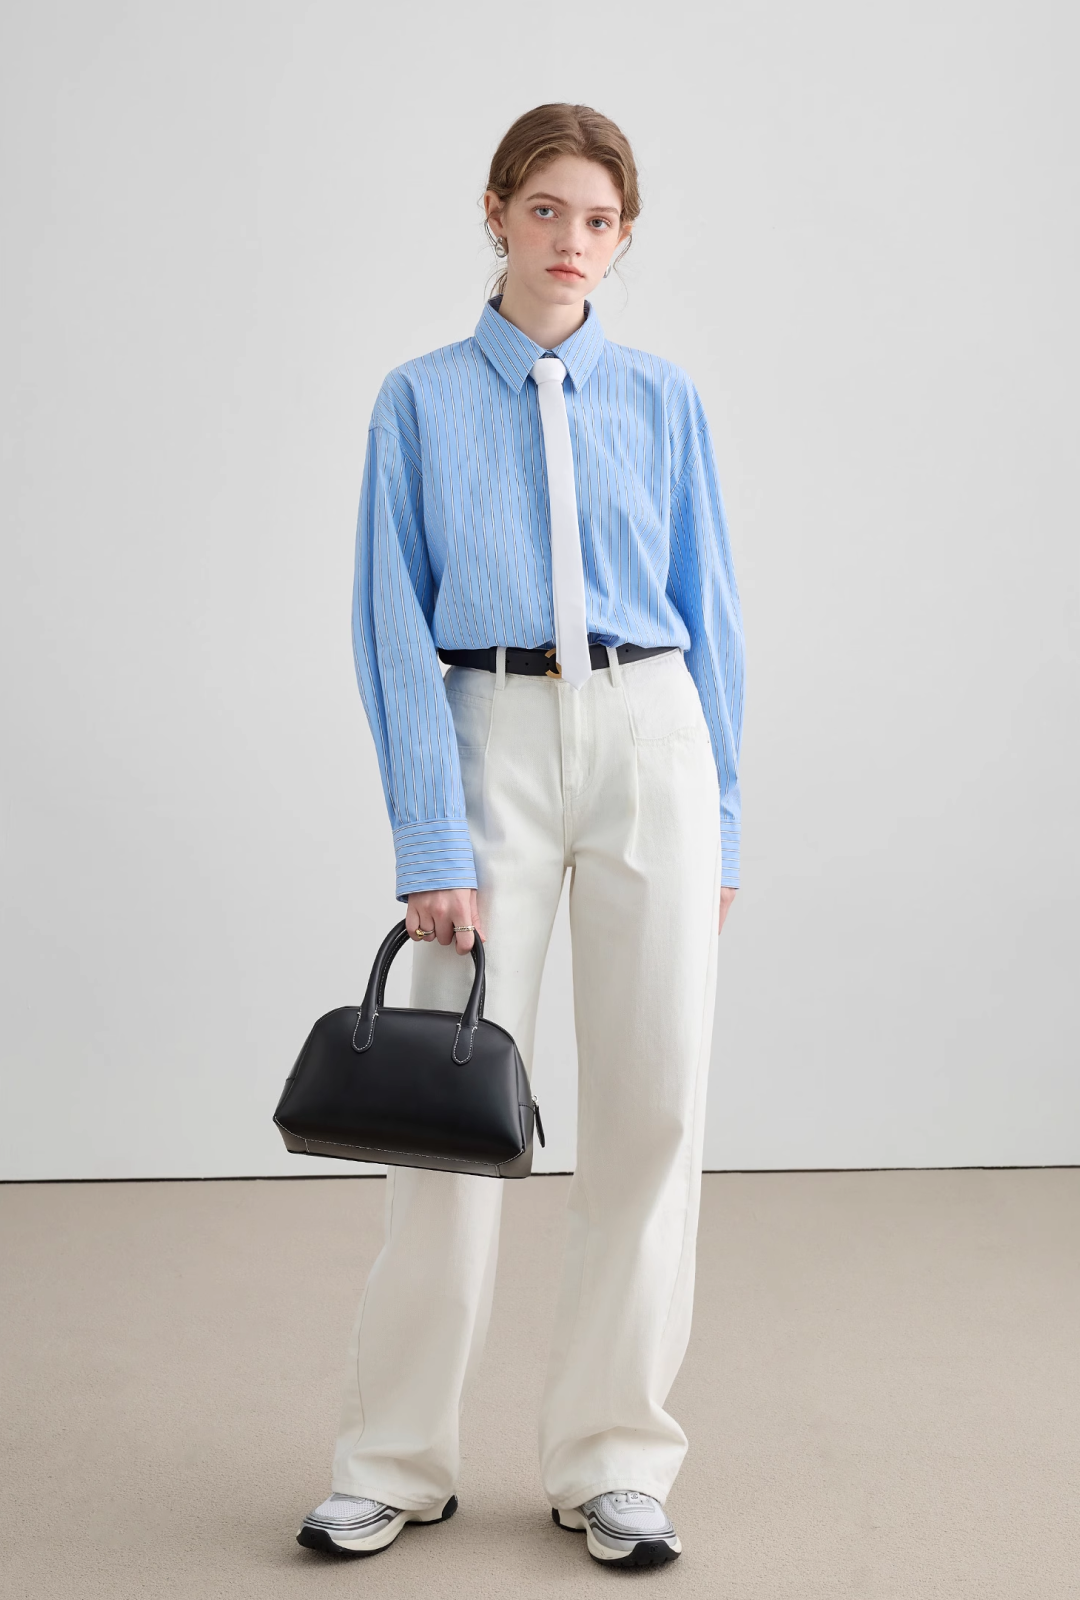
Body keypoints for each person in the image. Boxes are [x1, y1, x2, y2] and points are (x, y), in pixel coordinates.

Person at [296, 101, 745, 1570]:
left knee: (655, 1109)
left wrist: (722, 818)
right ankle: (394, 1459)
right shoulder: (420, 401)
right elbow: (388, 623)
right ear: (495, 213)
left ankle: (613, 1461)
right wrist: (430, 837)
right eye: (546, 210)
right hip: (488, 731)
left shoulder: (664, 400)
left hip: (651, 734)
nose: (571, 242)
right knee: (445, 1113)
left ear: (625, 237)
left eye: (599, 220)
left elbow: (714, 612)